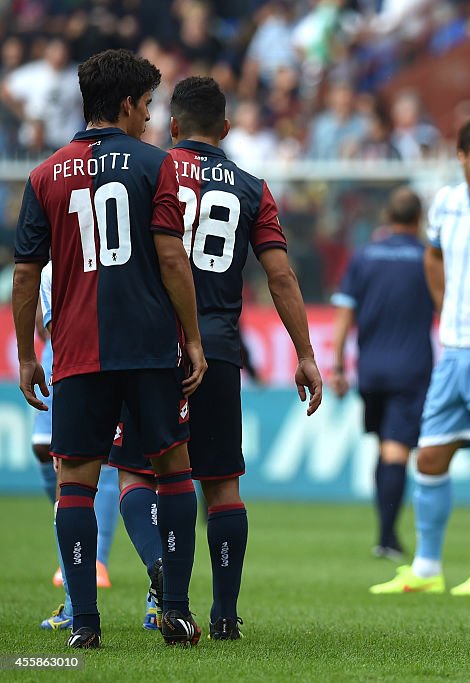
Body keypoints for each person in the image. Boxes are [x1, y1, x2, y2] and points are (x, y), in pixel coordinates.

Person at [111, 75, 323, 642]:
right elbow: (280, 275)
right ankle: (225, 614)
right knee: (222, 483)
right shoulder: (253, 187)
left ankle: (165, 578)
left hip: (155, 347)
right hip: (223, 346)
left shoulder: (149, 170)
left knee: (138, 469)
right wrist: (305, 354)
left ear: (172, 126)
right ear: (226, 130)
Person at [12, 48, 207, 649]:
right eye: (147, 105)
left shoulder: (45, 174)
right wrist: (193, 339)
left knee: (75, 481)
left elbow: (24, 275)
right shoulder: (160, 165)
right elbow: (172, 257)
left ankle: (85, 623)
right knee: (171, 469)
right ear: (125, 104)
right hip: (150, 349)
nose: (150, 118)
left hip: (76, 353)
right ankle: (174, 609)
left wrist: (25, 356)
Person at [370, 116, 470, 597]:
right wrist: (444, 307)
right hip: (453, 350)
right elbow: (433, 255)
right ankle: (427, 566)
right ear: (461, 158)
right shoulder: (444, 205)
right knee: (431, 457)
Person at [33, 262, 144, 631]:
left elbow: (46, 325)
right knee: (134, 467)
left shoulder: (54, 267)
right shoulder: (56, 267)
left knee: (83, 470)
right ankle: (161, 599)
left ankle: (80, 598)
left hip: (81, 366)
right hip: (115, 361)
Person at [331, 186, 434, 560]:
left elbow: (344, 313)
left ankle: (386, 533)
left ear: (387, 217)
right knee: (396, 449)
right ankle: (387, 536)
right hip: (412, 365)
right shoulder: (427, 257)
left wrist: (339, 364)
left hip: (370, 368)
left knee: (384, 444)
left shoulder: (364, 257)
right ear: (419, 219)